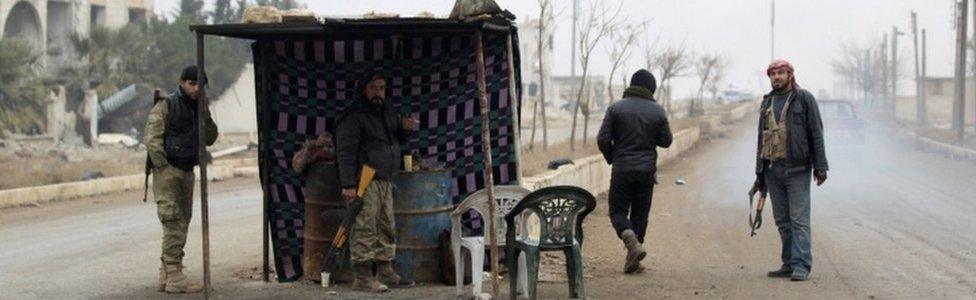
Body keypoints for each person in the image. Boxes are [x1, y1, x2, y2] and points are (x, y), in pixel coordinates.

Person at [335, 74, 419, 292]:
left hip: (385, 179)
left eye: (382, 88)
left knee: (386, 226)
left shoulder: (387, 111)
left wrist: (404, 129)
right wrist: (348, 185)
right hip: (364, 180)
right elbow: (345, 152)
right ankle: (362, 277)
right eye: (373, 87)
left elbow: (396, 140)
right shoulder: (353, 117)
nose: (378, 92)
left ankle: (386, 271)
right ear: (363, 89)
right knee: (365, 227)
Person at [144, 65, 218, 293]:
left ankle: (167, 274)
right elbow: (152, 139)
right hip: (169, 172)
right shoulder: (166, 104)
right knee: (173, 221)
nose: (196, 89)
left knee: (182, 221)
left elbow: (210, 138)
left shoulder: (199, 107)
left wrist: (205, 114)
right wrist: (163, 168)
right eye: (192, 84)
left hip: (186, 171)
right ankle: (174, 276)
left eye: (200, 85)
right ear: (182, 82)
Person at [754, 59, 828, 282]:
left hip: (797, 169)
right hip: (772, 170)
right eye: (773, 73)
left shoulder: (804, 98)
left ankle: (802, 264)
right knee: (782, 221)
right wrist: (760, 173)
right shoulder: (767, 102)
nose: (776, 77)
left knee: (799, 220)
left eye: (781, 73)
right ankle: (788, 263)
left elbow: (816, 132)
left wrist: (821, 166)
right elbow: (761, 138)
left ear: (790, 75)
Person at [597, 69, 673, 274]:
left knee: (617, 211)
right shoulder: (658, 111)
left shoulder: (615, 108)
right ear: (651, 89)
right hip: (647, 171)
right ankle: (634, 255)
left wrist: (613, 157)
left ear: (632, 85)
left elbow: (603, 139)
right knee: (640, 214)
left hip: (622, 170)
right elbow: (666, 141)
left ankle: (630, 243)